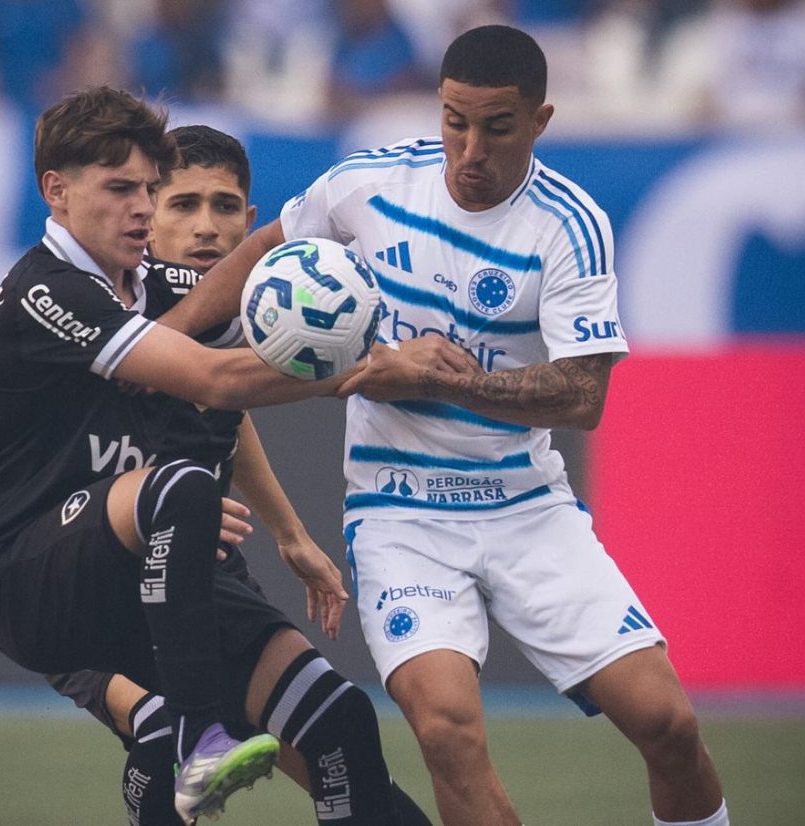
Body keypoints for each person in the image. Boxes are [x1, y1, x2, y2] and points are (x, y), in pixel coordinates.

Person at [168, 25, 730, 826]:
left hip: (526, 507)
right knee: (446, 731)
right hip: (399, 512)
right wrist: (162, 339)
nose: (469, 150)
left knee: (667, 725)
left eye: (496, 127)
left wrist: (440, 378)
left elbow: (582, 396)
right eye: (454, 121)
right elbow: (265, 246)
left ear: (539, 120)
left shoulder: (568, 226)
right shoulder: (369, 185)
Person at [0, 87, 431, 826]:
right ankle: (199, 738)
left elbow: (255, 340)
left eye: (149, 189)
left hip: (154, 568)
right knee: (177, 492)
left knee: (340, 722)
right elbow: (216, 380)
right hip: (26, 577)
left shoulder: (159, 284)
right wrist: (363, 367)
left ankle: (189, 739)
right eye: (121, 190)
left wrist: (396, 348)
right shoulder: (45, 293)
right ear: (56, 191)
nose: (142, 210)